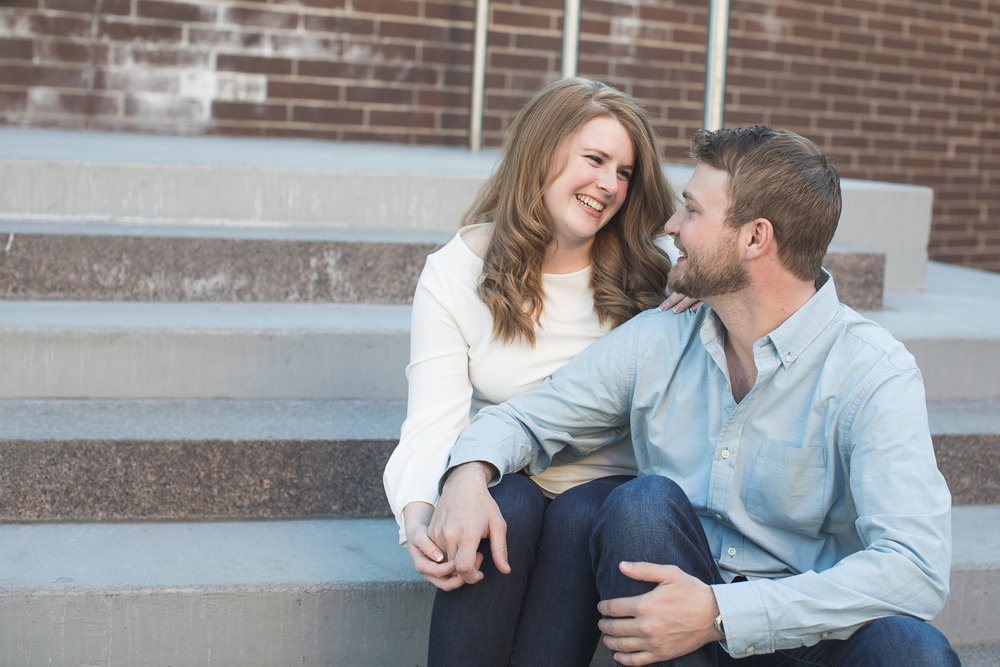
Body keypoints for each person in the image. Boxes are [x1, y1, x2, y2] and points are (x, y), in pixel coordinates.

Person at [429, 126, 959, 666]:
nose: (670, 227)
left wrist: (721, 612)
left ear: (755, 239)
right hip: (678, 639)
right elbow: (524, 420)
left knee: (912, 650)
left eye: (691, 211)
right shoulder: (660, 338)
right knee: (640, 505)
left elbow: (915, 568)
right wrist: (467, 475)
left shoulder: (872, 373)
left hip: (807, 635)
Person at [382, 78, 695, 665]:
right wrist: (423, 518)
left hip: (609, 486)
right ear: (541, 153)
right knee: (506, 507)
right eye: (595, 160)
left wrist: (702, 291)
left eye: (624, 172)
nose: (609, 185)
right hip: (508, 469)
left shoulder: (655, 273)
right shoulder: (456, 272)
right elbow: (432, 420)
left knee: (579, 515)